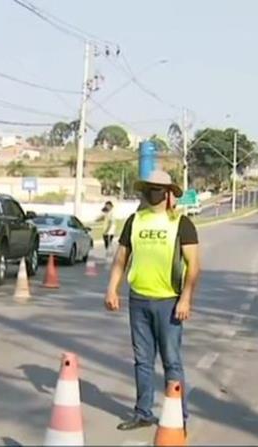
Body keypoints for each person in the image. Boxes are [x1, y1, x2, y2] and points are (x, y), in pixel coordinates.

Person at [104, 170, 201, 432]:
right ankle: (143, 413)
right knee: (142, 360)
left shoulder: (182, 224)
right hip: (139, 300)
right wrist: (112, 289)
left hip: (169, 302)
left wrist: (185, 299)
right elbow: (121, 259)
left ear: (169, 193)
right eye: (150, 188)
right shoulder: (134, 221)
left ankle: (177, 417)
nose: (154, 193)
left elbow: (193, 266)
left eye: (159, 189)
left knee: (171, 360)